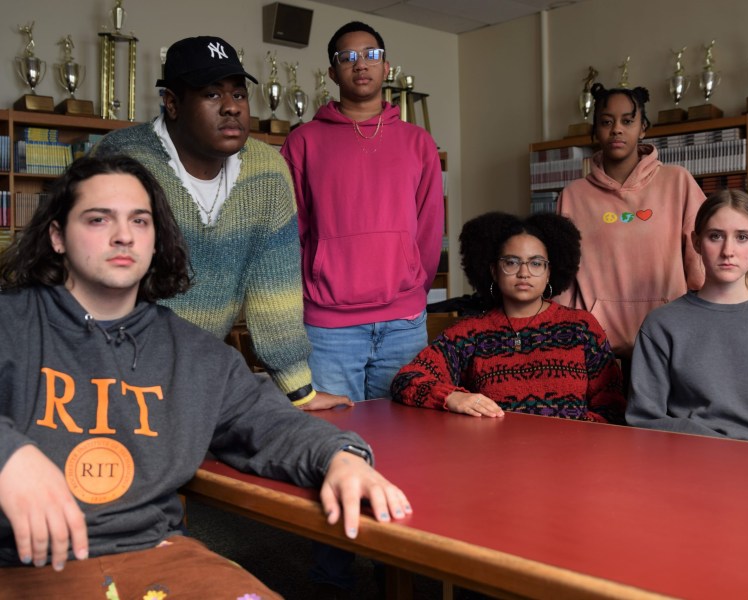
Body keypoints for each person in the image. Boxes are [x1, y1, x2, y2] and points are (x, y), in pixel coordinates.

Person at [0, 155, 411, 597]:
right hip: (20, 564)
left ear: (156, 240)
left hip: (156, 553)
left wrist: (342, 456)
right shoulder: (12, 323)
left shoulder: (194, 353)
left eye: (140, 221)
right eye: (98, 219)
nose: (123, 236)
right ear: (58, 237)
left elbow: (272, 424)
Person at [92, 35, 348, 411]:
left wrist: (300, 391)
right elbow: (84, 279)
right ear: (173, 104)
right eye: (212, 95)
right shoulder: (122, 159)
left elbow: (274, 289)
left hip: (193, 374)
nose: (231, 107)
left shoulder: (267, 171)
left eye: (239, 95)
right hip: (104, 369)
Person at [280, 21, 444, 404]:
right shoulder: (303, 141)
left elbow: (429, 228)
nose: (361, 64)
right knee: (335, 442)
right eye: (348, 57)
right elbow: (292, 230)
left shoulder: (418, 142)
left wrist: (412, 294)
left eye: (371, 55)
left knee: (409, 440)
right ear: (333, 72)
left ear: (386, 67)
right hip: (328, 326)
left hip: (403, 322)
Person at [391, 211, 625, 423]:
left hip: (573, 456)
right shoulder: (470, 333)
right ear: (493, 270)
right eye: (511, 262)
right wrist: (451, 397)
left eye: (536, 263)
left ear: (549, 272)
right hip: (496, 458)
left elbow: (612, 406)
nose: (524, 273)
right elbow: (406, 380)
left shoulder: (580, 327)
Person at [626, 189, 748, 445]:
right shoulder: (662, 324)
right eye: (715, 236)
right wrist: (721, 450)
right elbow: (644, 418)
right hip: (690, 461)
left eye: (742, 237)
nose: (728, 250)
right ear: (696, 242)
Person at [555, 83, 705, 367]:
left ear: (643, 128)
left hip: (669, 343)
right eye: (606, 122)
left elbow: (700, 260)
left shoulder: (678, 182)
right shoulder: (572, 196)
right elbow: (564, 280)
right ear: (595, 131)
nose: (617, 130)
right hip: (596, 350)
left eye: (627, 121)